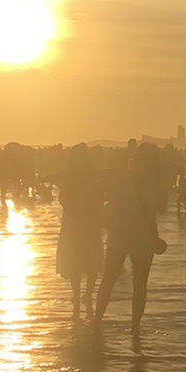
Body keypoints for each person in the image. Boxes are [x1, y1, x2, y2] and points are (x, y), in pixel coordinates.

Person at [94, 141, 166, 341]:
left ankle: (96, 323)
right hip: (144, 238)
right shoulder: (154, 181)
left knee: (107, 281)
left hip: (119, 235)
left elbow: (113, 204)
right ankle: (135, 329)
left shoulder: (123, 177)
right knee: (140, 286)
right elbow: (159, 209)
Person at [56, 142, 105, 319]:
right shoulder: (92, 175)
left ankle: (77, 296)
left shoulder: (68, 176)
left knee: (74, 261)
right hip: (89, 222)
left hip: (72, 224)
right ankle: (88, 294)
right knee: (91, 259)